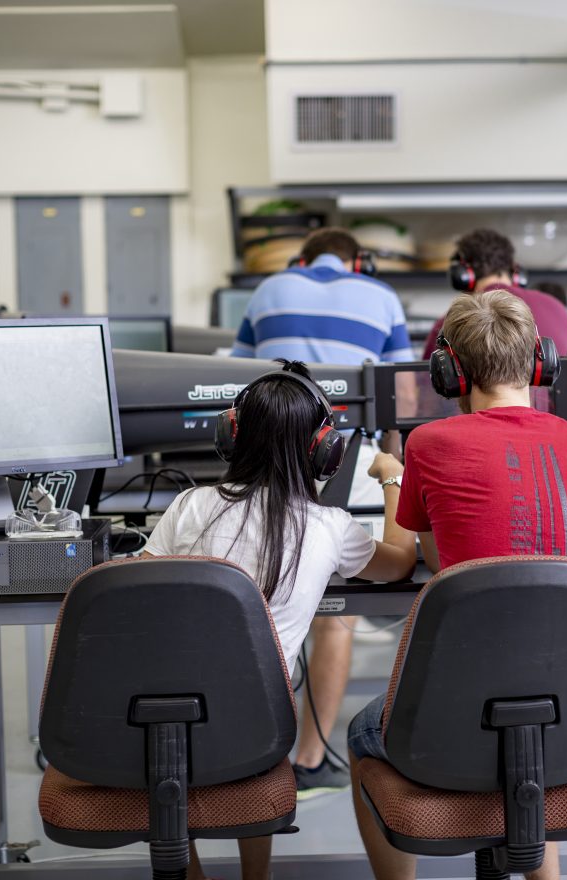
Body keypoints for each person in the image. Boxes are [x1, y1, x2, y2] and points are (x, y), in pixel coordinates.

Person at [348, 290, 567, 880]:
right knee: (537, 706)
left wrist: (392, 477)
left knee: (364, 733)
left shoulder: (428, 446)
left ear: (449, 372)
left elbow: (421, 549)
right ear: (540, 364)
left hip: (455, 724)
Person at [143, 360, 415, 880]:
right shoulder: (330, 526)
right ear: (324, 450)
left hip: (164, 718)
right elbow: (400, 560)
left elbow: (136, 592)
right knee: (253, 747)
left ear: (232, 435)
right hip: (262, 728)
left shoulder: (191, 507)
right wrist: (393, 474)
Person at [232, 227, 414, 796]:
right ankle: (309, 759)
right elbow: (401, 394)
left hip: (264, 466)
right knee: (338, 610)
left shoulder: (266, 291)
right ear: (358, 260)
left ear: (300, 260)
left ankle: (256, 755)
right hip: (349, 458)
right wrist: (394, 466)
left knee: (256, 607)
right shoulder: (381, 297)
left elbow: (235, 382)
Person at [422, 228, 567, 359]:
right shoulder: (556, 307)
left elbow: (428, 386)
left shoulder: (452, 321)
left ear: (463, 275)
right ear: (516, 271)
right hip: (557, 399)